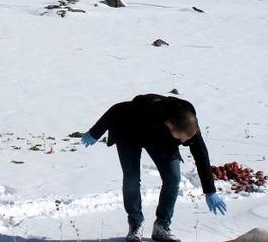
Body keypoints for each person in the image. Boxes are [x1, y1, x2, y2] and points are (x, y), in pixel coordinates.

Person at [80, 93, 227, 242]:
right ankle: (135, 225)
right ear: (170, 125)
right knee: (131, 177)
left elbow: (200, 153)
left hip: (160, 139)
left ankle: (161, 227)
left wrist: (209, 191)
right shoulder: (147, 108)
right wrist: (95, 132)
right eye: (181, 138)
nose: (184, 142)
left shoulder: (187, 120)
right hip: (129, 131)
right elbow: (117, 110)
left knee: (173, 177)